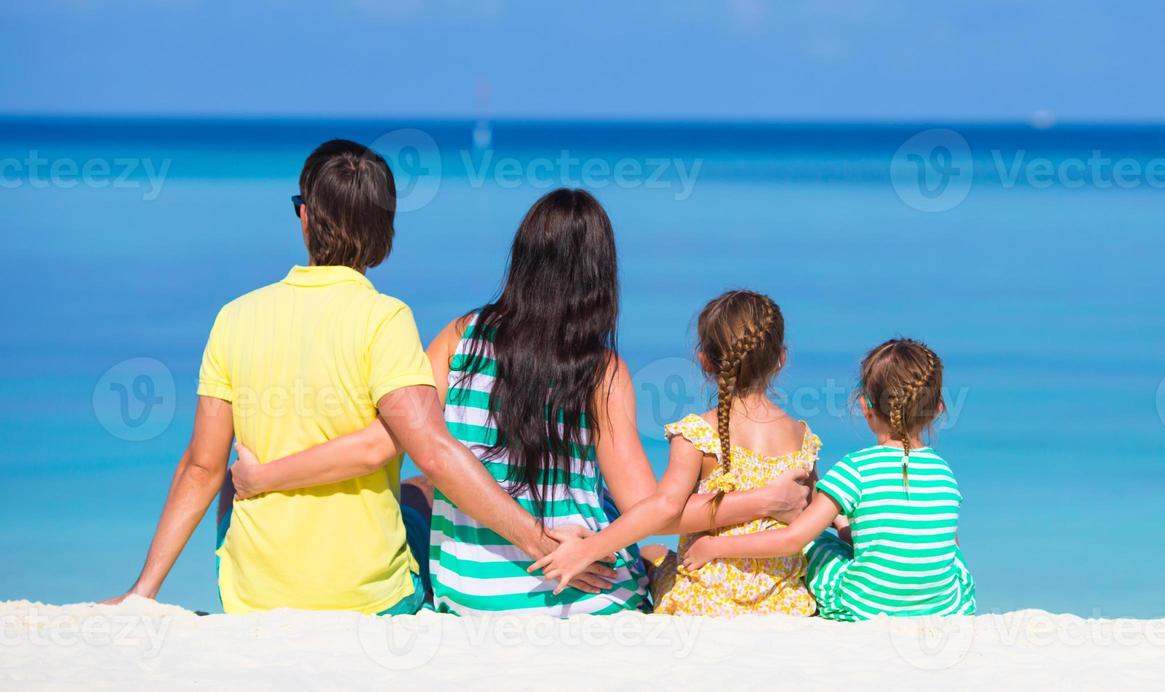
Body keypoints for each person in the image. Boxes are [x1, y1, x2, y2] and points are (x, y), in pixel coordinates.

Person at [229, 190, 811, 615]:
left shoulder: (459, 339)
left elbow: (394, 440)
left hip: (474, 597)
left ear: (523, 259)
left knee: (418, 490)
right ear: (600, 277)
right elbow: (651, 505)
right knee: (647, 539)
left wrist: (265, 476)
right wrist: (763, 501)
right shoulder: (603, 371)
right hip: (592, 592)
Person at [105, 140, 615, 614]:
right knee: (424, 492)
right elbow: (433, 451)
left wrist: (141, 591)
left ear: (304, 217)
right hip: (369, 598)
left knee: (222, 464)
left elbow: (199, 468)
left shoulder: (235, 317)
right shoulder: (385, 320)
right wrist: (537, 540)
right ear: (386, 235)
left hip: (252, 597)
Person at [530, 291, 822, 619]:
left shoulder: (697, 433)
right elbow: (808, 515)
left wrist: (588, 550)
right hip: (783, 601)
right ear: (781, 359)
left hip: (706, 599)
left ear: (705, 361)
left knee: (652, 551)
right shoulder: (803, 437)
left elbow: (666, 506)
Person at [679, 339, 976, 620]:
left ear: (864, 406)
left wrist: (714, 547)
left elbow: (793, 538)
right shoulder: (944, 472)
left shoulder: (856, 469)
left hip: (866, 606)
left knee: (817, 542)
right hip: (944, 605)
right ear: (938, 409)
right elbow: (940, 541)